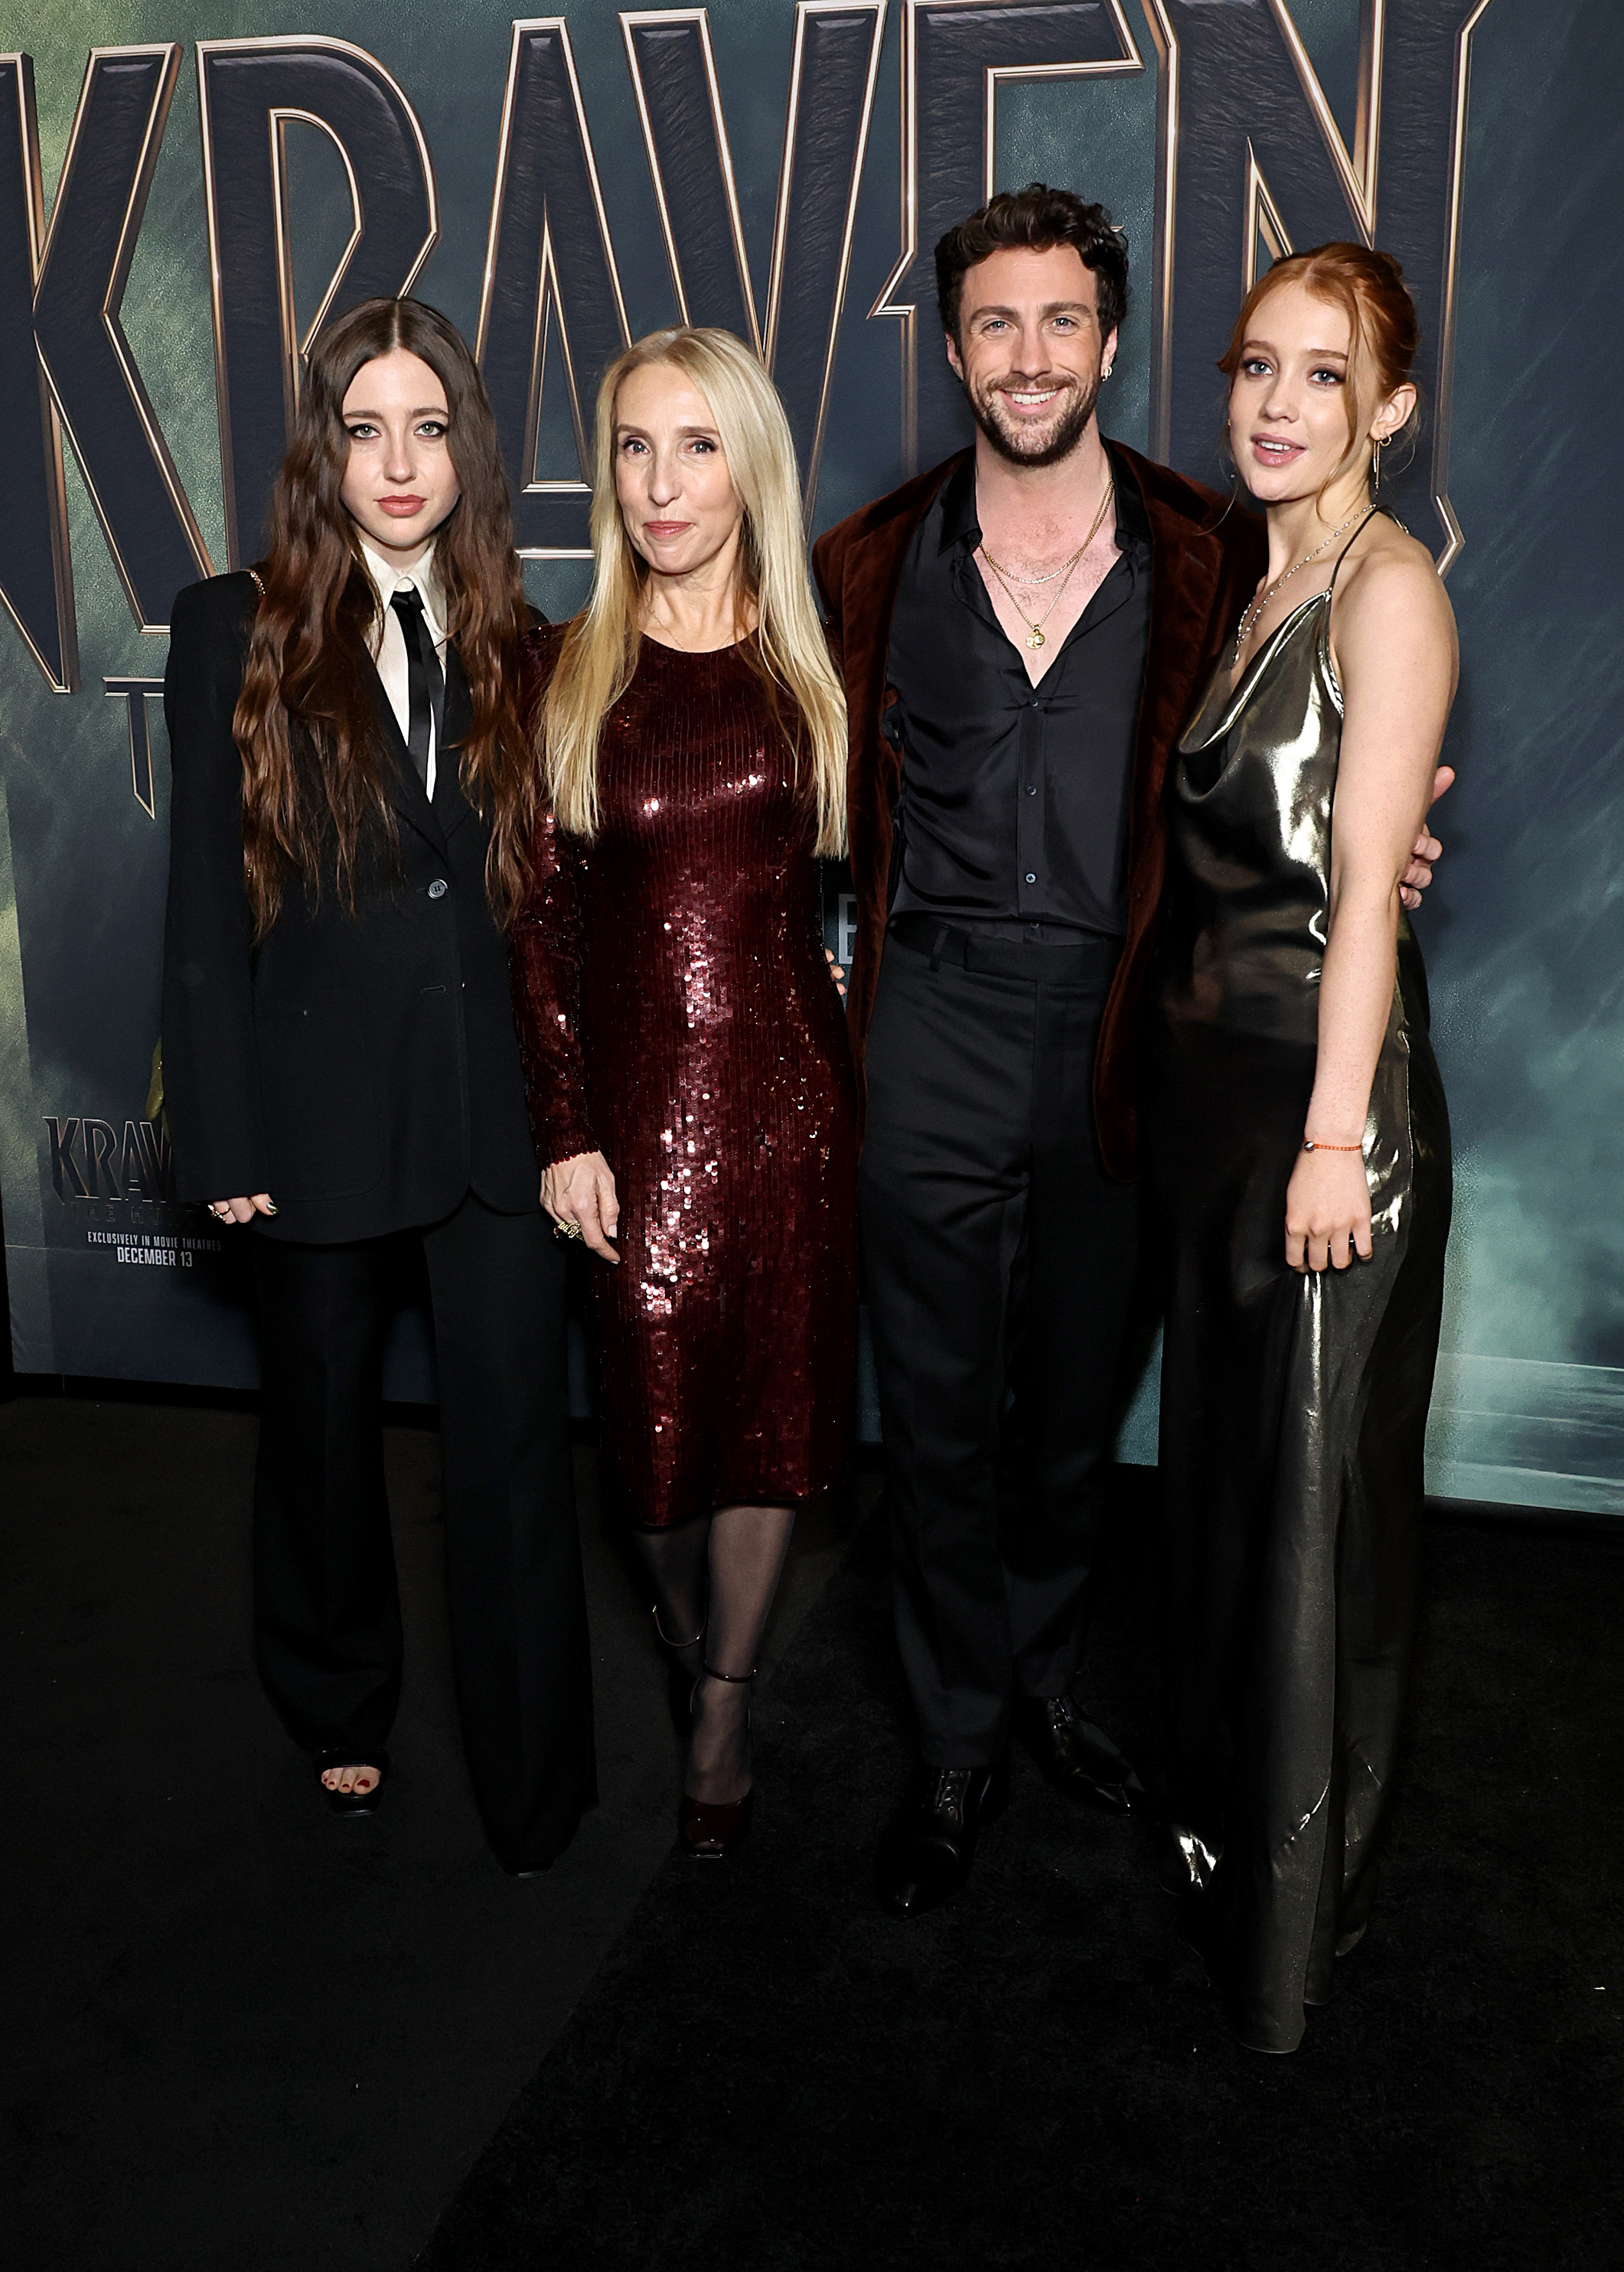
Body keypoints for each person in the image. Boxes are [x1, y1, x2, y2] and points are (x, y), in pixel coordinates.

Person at [812, 184, 1450, 1918]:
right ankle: (951, 1740)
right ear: (952, 351)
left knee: (1076, 1409)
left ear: (1108, 341)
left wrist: (1371, 838)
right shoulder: (864, 563)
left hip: (1120, 1044)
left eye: (1062, 322)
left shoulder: (1211, 545)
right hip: (928, 1027)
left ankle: (1032, 1679)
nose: (1029, 356)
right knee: (934, 1418)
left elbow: (1295, 746)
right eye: (994, 324)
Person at [161, 297, 595, 1873]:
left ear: (465, 449)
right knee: (323, 1437)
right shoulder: (236, 626)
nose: (397, 462)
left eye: (427, 427)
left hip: (496, 1117)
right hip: (311, 1110)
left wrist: (581, 1118)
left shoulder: (527, 643)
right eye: (364, 428)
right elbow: (203, 900)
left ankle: (535, 1775)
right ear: (322, 450)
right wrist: (215, 1121)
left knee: (512, 1459)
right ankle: (338, 1703)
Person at [1150, 244, 1456, 2054]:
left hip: (1317, 1124)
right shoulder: (1253, 579)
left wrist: (1335, 1140)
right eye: (1254, 366)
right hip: (1213, 1126)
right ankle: (1222, 1861)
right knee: (1234, 1510)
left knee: (1308, 1529)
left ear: (1389, 410)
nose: (1274, 404)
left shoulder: (1385, 589)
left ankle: (1286, 1946)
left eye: (1320, 376)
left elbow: (1359, 904)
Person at [509, 325, 858, 1860]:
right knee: (652, 1470)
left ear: (749, 466)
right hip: (635, 1131)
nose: (661, 483)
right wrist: (565, 1129)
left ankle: (721, 1709)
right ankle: (687, 1640)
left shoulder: (820, 660)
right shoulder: (563, 667)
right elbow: (539, 929)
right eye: (635, 448)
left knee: (772, 1432)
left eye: (696, 445)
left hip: (796, 1115)